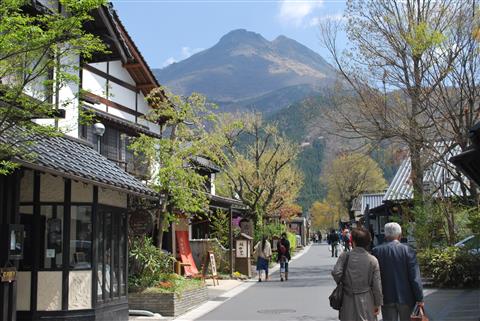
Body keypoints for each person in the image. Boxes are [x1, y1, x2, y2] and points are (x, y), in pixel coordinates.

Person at [372, 222, 424, 321]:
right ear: (400, 236)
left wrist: (375, 299)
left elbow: (374, 277)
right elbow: (415, 278)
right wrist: (419, 298)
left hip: (386, 297)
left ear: (385, 236)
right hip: (406, 297)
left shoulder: (376, 251)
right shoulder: (408, 251)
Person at [332, 227, 383, 321]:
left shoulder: (344, 256)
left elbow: (336, 273)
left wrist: (345, 282)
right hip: (366, 299)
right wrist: (378, 303)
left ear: (353, 242)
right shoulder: (372, 260)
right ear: (368, 242)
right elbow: (377, 286)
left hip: (347, 298)